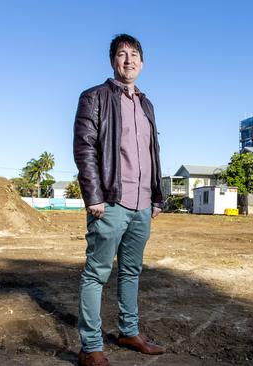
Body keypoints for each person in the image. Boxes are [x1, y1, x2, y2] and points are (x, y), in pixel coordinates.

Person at [73, 34, 166, 366]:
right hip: (110, 202)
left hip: (142, 205)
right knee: (96, 274)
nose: (129, 60)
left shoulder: (146, 103)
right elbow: (84, 149)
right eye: (122, 54)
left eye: (135, 54)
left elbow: (153, 154)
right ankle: (91, 347)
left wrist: (157, 197)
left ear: (142, 61)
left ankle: (129, 331)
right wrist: (93, 197)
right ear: (113, 60)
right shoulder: (95, 97)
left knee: (131, 271)